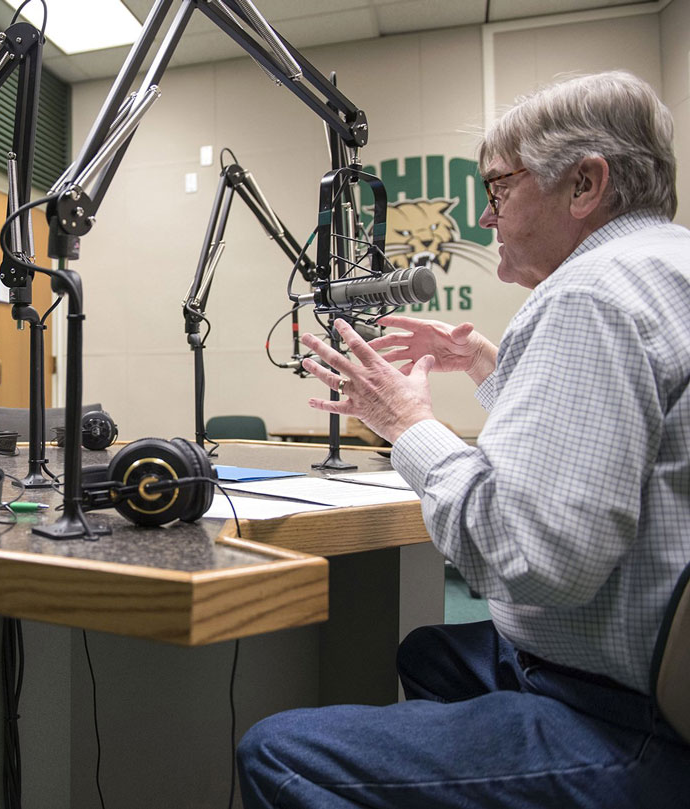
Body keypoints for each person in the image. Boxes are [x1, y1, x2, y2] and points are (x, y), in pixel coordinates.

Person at [237, 71, 690, 808]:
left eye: (501, 189)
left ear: (585, 184)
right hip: (660, 681)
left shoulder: (587, 294)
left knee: (279, 752)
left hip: (633, 726)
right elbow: (613, 449)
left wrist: (407, 425)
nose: (485, 216)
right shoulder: (664, 266)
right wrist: (487, 362)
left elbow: (529, 561)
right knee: (433, 654)